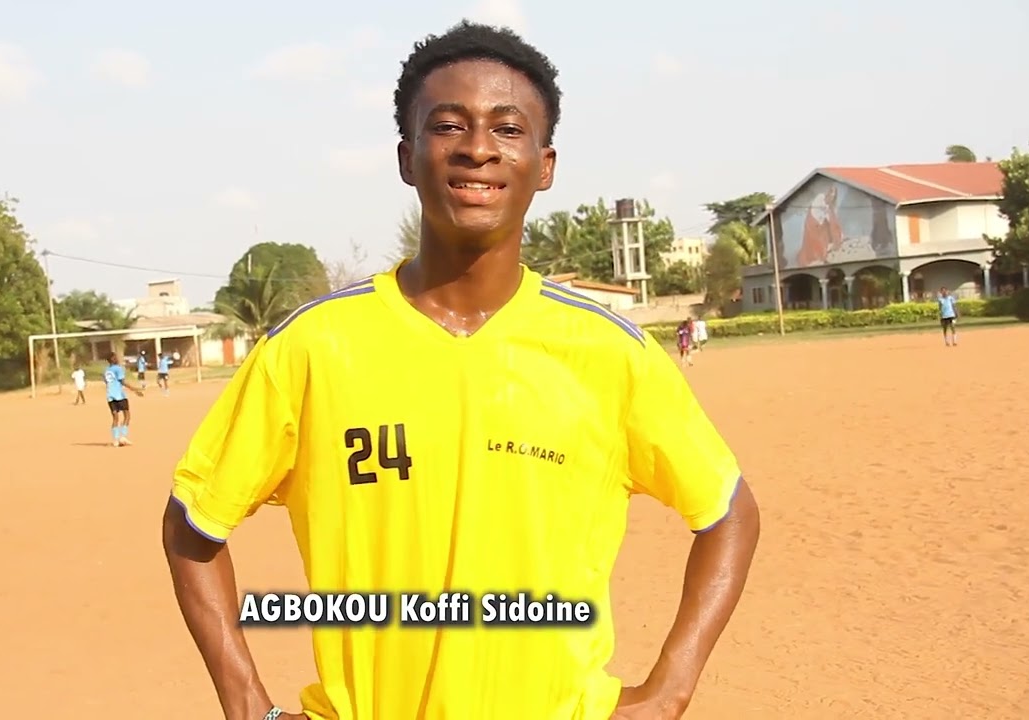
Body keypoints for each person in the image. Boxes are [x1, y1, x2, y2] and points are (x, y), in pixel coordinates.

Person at [162, 21, 760, 720]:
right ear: (407, 156)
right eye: (448, 126)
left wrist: (670, 689)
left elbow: (729, 511)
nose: (478, 148)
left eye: (508, 129)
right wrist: (247, 703)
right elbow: (192, 523)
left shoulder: (609, 353)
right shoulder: (312, 348)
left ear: (545, 165)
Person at [105, 351, 143, 447]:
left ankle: (115, 440)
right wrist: (135, 390)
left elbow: (106, 382)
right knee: (127, 415)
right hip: (119, 395)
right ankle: (123, 437)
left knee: (115, 418)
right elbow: (122, 382)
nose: (117, 359)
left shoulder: (106, 370)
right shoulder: (118, 369)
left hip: (110, 396)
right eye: (115, 357)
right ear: (112, 359)